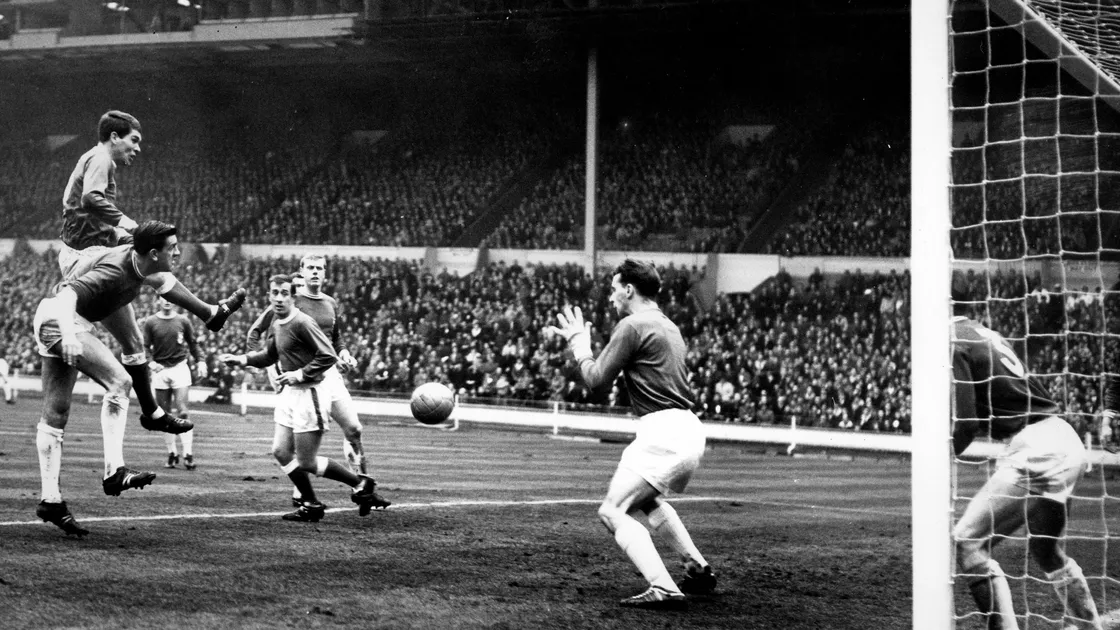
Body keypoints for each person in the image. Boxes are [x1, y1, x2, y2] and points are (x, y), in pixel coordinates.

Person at [59, 109, 245, 436]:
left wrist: (125, 234)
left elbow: (89, 215)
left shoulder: (97, 160)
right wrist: (128, 226)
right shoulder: (102, 158)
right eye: (134, 140)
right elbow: (91, 198)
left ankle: (152, 412)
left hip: (89, 250)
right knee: (152, 264)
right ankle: (210, 313)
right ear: (114, 137)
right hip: (85, 257)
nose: (138, 148)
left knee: (133, 342)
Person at [548, 259, 715, 610]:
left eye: (613, 289)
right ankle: (697, 569)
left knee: (613, 511)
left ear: (628, 290)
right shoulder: (669, 325)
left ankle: (663, 587)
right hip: (687, 428)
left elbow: (595, 381)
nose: (610, 297)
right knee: (646, 500)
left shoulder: (632, 325)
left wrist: (580, 344)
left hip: (662, 431)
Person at [33, 220, 206, 537]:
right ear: (153, 254)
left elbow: (139, 248)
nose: (178, 252)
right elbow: (68, 294)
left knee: (56, 412)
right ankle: (115, 471)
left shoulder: (139, 260)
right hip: (63, 319)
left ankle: (50, 501)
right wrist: (70, 335)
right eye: (173, 248)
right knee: (119, 382)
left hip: (57, 319)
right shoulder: (116, 268)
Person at [951, 278, 1102, 630]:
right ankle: (1091, 626)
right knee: (1046, 551)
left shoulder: (953, 340)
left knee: (969, 541)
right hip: (1063, 436)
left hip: (1036, 447)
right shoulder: (985, 333)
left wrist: (939, 455)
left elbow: (967, 422)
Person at [219, 274, 384, 522]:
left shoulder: (302, 322)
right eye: (274, 292)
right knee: (281, 452)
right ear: (269, 295)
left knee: (306, 461)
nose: (278, 298)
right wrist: (241, 359)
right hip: (290, 394)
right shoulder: (278, 323)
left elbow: (328, 355)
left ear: (293, 296)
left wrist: (299, 374)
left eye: (284, 293)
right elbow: (269, 355)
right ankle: (310, 503)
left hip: (310, 393)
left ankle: (360, 483)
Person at [142, 296, 205, 470]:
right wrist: (151, 362)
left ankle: (188, 454)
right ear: (157, 300)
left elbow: (193, 344)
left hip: (179, 367)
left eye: (170, 298)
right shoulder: (151, 322)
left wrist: (201, 361)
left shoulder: (183, 321)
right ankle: (172, 453)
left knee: (183, 412)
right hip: (160, 370)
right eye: (163, 298)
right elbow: (145, 346)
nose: (167, 301)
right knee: (164, 415)